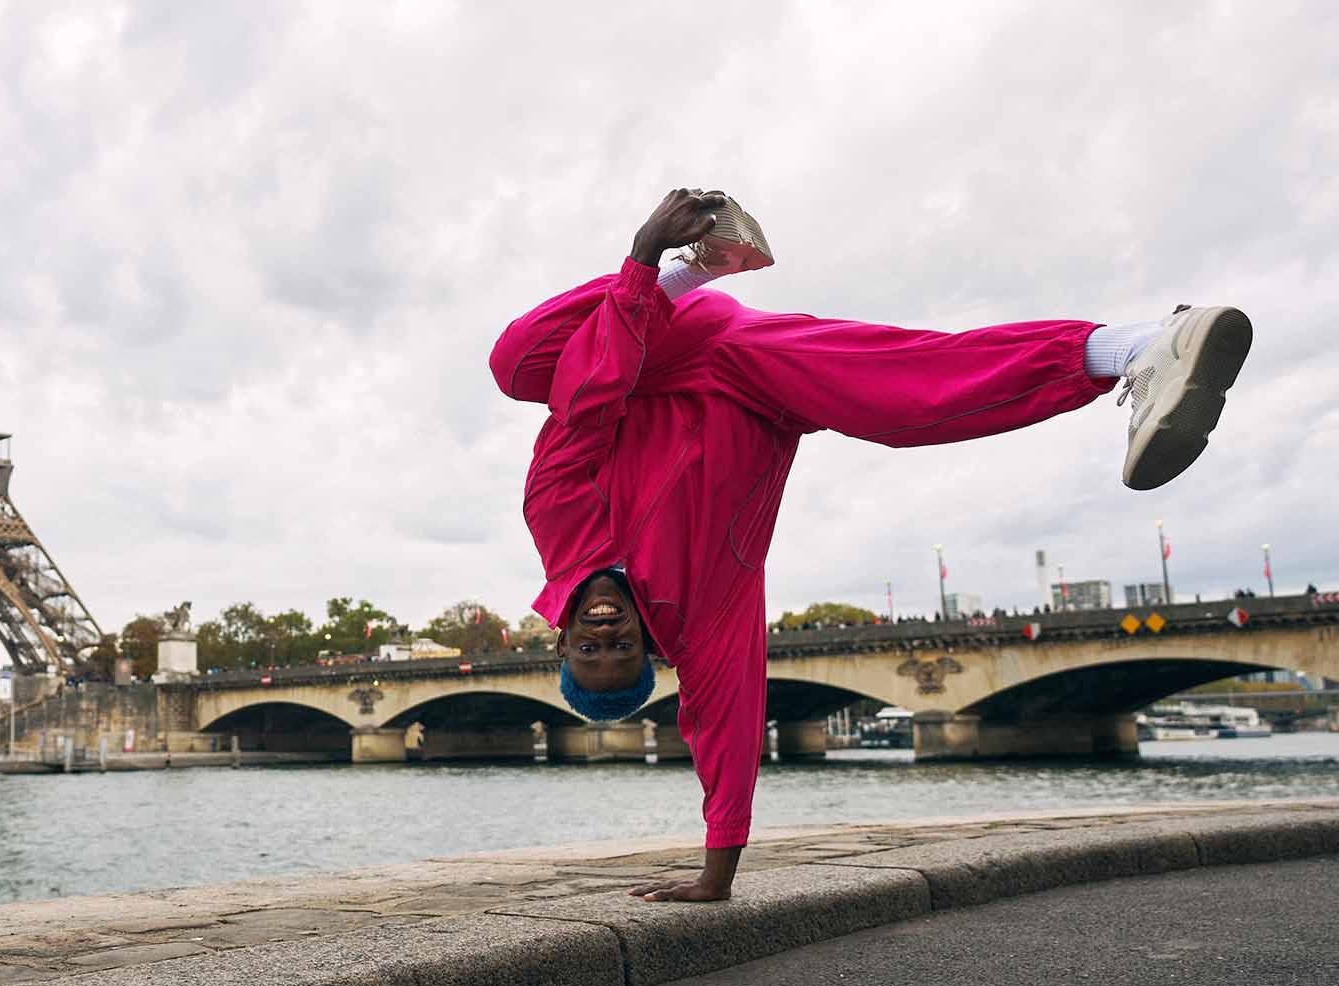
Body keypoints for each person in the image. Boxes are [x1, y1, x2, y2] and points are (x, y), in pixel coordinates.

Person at [490, 188, 1252, 902]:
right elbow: (723, 722)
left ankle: (694, 271)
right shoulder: (700, 620)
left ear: (559, 641)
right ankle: (1140, 350)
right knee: (910, 398)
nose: (604, 637)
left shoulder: (557, 526)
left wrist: (644, 260)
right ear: (646, 652)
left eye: (588, 653)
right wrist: (717, 872)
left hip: (667, 358)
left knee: (517, 362)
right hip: (755, 394)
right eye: (618, 654)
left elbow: (582, 407)